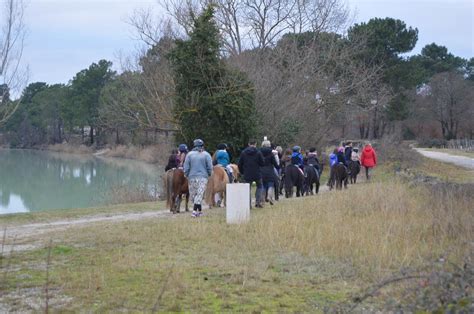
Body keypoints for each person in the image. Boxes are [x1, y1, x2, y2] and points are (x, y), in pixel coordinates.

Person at [183, 139, 213, 217]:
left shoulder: (189, 154)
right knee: (199, 194)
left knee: (195, 195)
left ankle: (199, 212)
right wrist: (209, 174)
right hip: (203, 177)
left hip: (192, 177)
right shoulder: (206, 154)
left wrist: (186, 174)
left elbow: (186, 166)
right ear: (202, 146)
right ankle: (194, 211)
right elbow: (210, 167)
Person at [238, 139, 265, 208]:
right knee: (260, 186)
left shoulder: (243, 153)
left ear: (248, 144)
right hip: (257, 173)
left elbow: (239, 164)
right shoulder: (258, 152)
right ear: (255, 144)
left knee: (247, 189)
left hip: (247, 173)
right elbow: (262, 163)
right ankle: (258, 202)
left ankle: (248, 205)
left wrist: (242, 172)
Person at [261, 138, 280, 205]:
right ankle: (269, 196)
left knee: (263, 185)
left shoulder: (259, 153)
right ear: (269, 145)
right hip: (270, 170)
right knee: (271, 184)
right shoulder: (271, 153)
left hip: (262, 171)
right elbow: (274, 163)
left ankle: (262, 199)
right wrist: (278, 166)